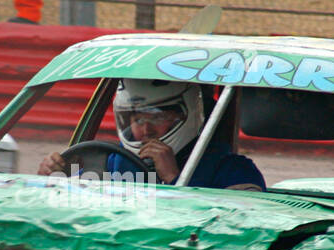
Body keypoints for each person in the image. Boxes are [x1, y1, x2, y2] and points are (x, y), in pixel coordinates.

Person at [36, 79, 266, 190]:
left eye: (157, 117)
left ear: (189, 115)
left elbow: (241, 233)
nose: (146, 130)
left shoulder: (235, 171)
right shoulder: (107, 162)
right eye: (137, 119)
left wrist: (175, 178)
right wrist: (53, 177)